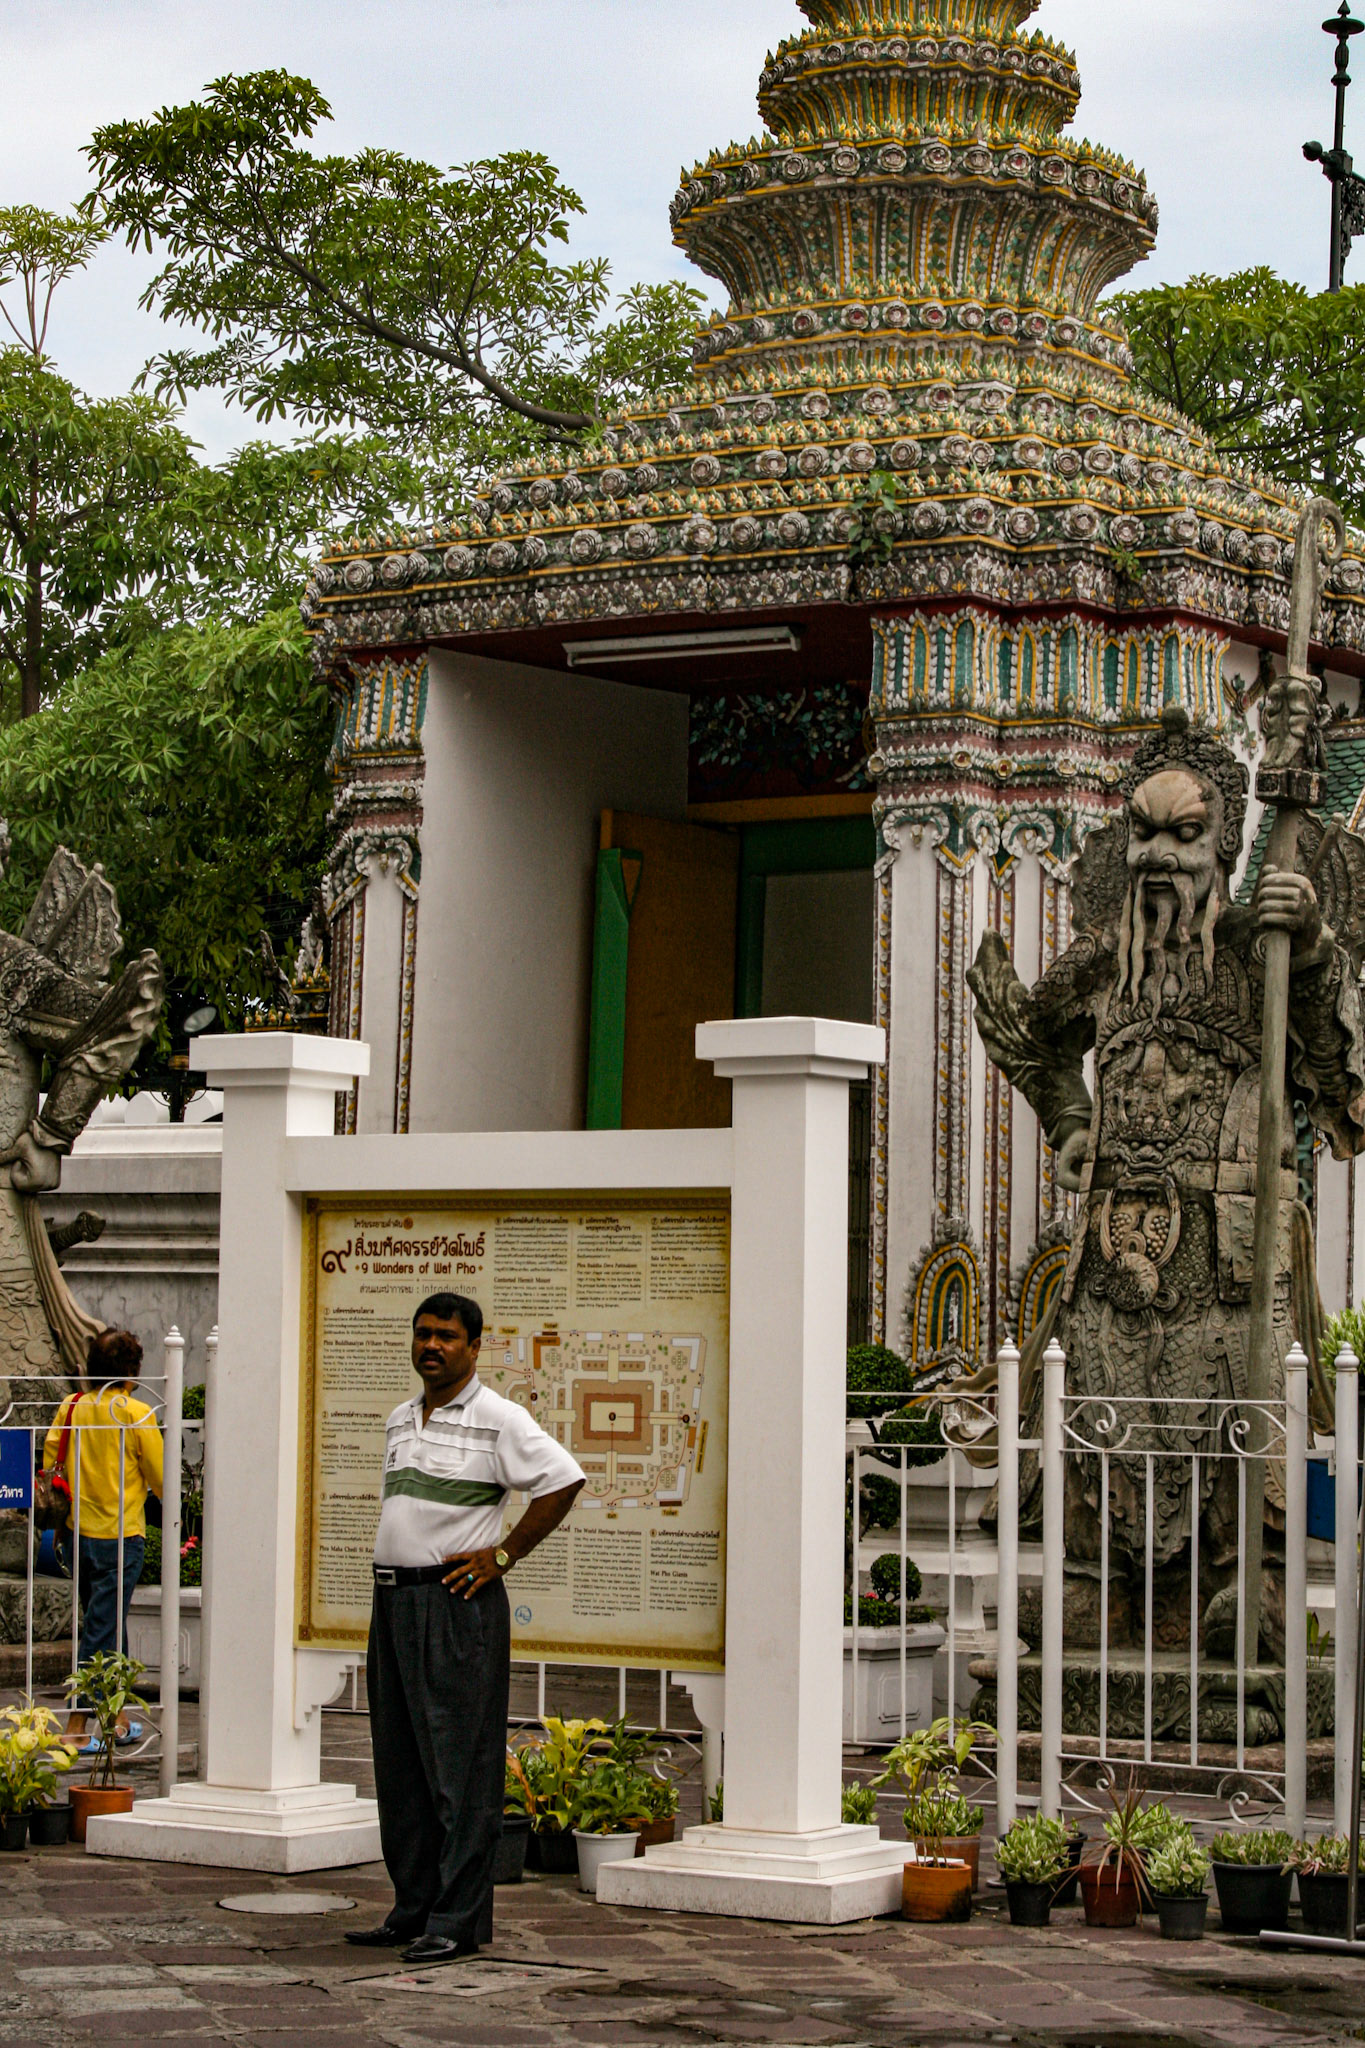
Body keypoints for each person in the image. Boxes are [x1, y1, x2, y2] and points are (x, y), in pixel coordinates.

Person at [346, 1291, 584, 1967]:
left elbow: (562, 1479)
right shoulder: (400, 1418)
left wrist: (502, 1555)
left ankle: (457, 1920)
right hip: (392, 1603)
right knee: (401, 1766)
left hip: (452, 1606)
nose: (432, 1345)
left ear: (475, 1346)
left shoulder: (497, 1418)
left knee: (460, 1768)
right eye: (423, 1334)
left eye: (447, 1336)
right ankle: (412, 1908)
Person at [43, 1327, 164, 1747]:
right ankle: (76, 1727)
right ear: (131, 1371)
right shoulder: (135, 1413)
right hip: (120, 1534)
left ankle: (116, 1719)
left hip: (76, 1532)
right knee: (101, 1632)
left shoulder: (71, 1407)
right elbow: (162, 1479)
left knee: (105, 1624)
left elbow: (50, 1461)